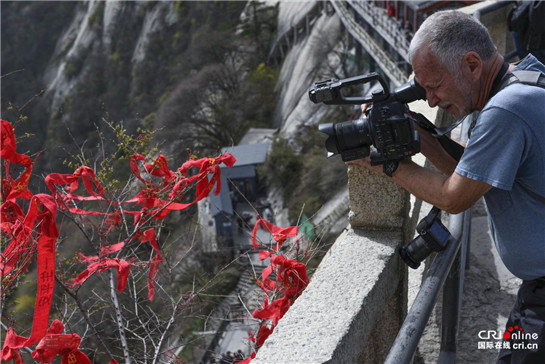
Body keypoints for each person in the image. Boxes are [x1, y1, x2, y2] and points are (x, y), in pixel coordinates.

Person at [348, 10, 545, 363]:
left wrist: (385, 163)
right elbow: (474, 171)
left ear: (472, 64)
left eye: (435, 86)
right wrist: (421, 136)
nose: (433, 100)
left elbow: (454, 197)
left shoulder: (505, 110)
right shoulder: (525, 77)